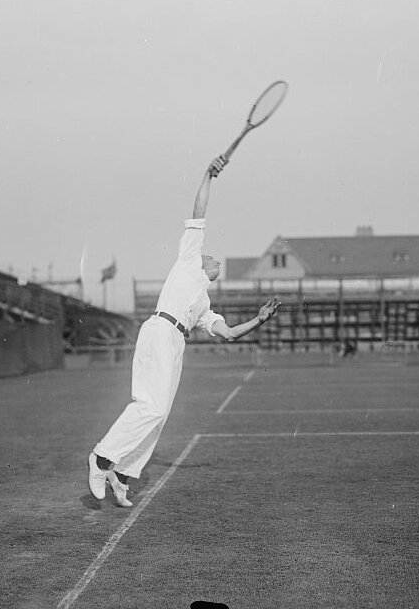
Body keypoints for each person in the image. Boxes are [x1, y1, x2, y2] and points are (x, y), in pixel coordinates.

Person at [86, 155, 282, 507]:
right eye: (212, 257)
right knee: (151, 407)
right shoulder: (189, 259)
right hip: (160, 329)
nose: (215, 259)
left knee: (159, 415)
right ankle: (102, 459)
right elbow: (199, 209)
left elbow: (229, 334)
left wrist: (259, 319)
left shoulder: (205, 305)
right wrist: (209, 174)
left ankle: (124, 474)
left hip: (176, 342)